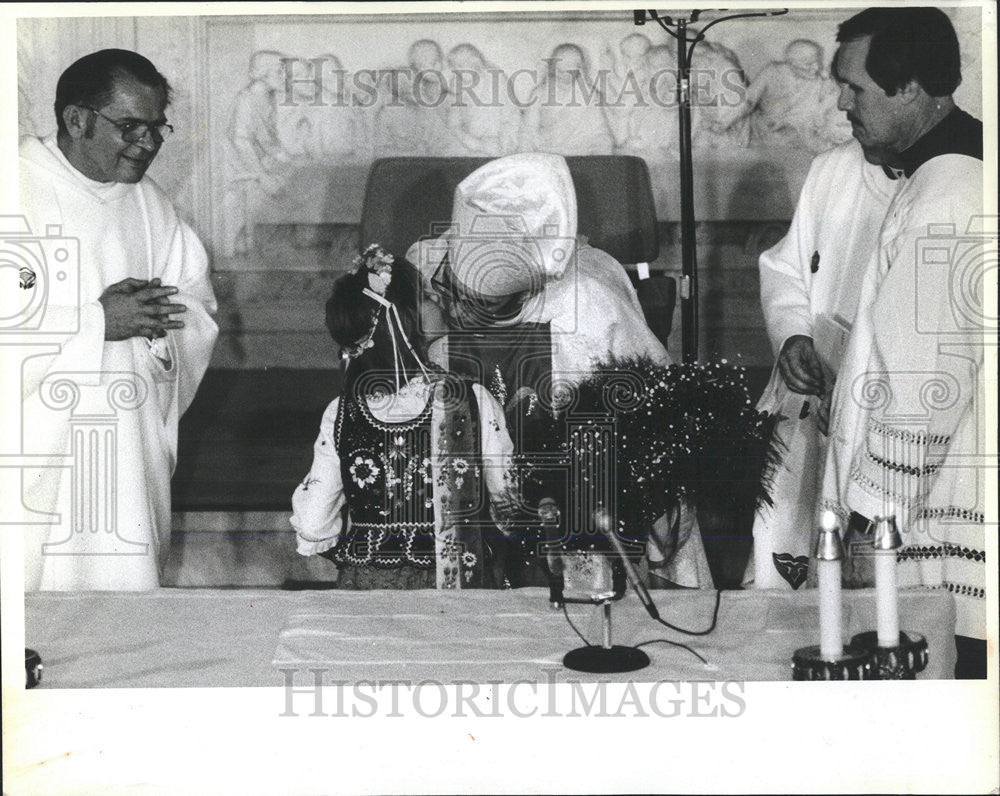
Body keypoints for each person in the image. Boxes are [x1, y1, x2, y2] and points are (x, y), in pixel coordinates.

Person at [407, 153, 714, 589]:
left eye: (480, 304)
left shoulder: (590, 301)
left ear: (529, 285)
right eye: (450, 290)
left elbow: (658, 419)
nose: (455, 310)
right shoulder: (424, 266)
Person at [820, 7, 985, 677]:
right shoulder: (951, 174)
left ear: (911, 87)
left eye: (853, 87)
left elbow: (921, 386)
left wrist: (871, 527)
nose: (840, 104)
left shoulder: (946, 195)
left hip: (928, 530)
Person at [18, 49, 219, 590]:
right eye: (130, 126)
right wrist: (95, 322)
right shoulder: (13, 193)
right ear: (76, 119)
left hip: (130, 454)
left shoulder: (152, 205)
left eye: (157, 128)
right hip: (37, 459)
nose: (148, 144)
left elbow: (195, 310)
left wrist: (157, 330)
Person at [290, 245, 518, 589]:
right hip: (452, 588)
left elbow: (312, 523)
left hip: (366, 588)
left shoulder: (342, 412)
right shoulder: (471, 401)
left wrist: (366, 553)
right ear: (400, 317)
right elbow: (510, 511)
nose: (438, 299)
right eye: (426, 294)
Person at [744, 136, 899, 589]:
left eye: (856, 88)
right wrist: (794, 334)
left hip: (885, 416)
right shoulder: (834, 167)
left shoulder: (950, 176)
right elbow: (786, 267)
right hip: (813, 398)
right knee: (791, 550)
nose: (842, 102)